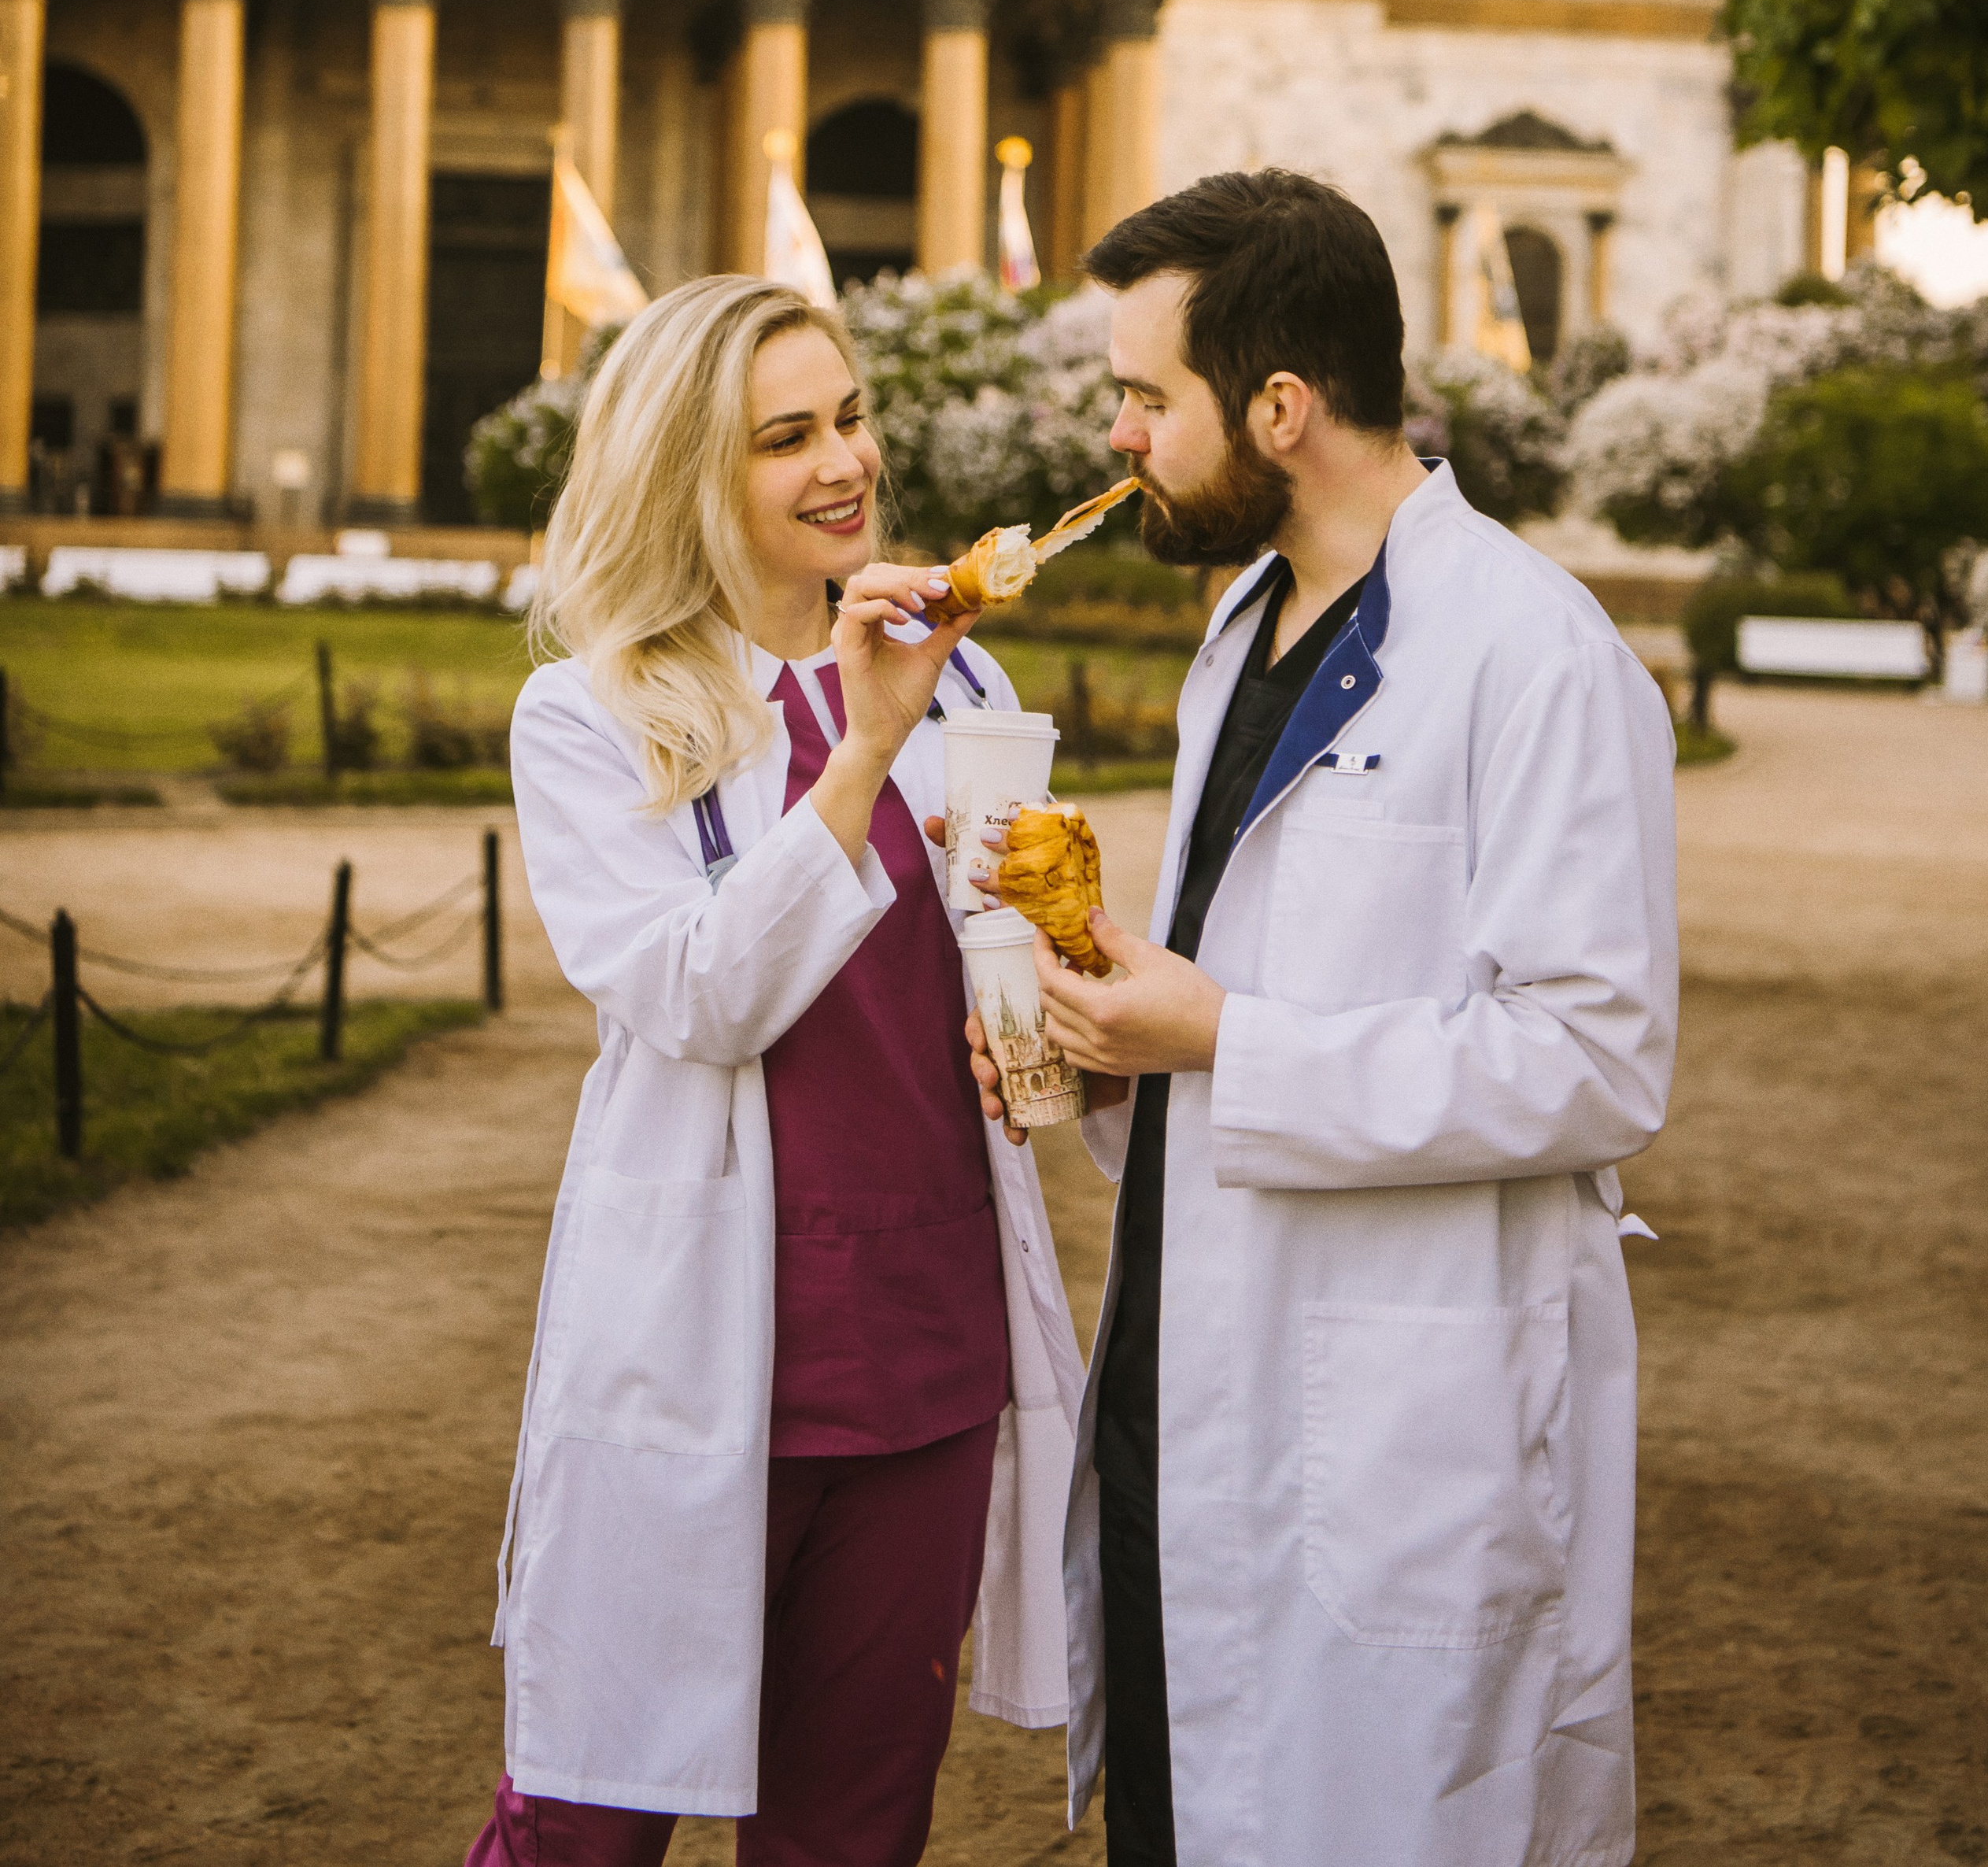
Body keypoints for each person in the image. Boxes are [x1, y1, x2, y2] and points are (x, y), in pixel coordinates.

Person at [968, 171, 1679, 1867]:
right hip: (1179, 1409)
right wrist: (1105, 1041)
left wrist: (1220, 1037)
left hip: (1397, 1439)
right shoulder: (1243, 624)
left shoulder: (1535, 654)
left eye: (1146, 396)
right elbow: (1246, 976)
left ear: (1278, 408)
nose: (1117, 435)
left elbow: (1594, 1059)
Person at [467, 275, 1082, 1867]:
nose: (847, 462)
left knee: (851, 1831)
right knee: (581, 1826)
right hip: (705, 1350)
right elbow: (695, 994)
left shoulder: (967, 683)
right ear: (690, 470)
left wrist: (1059, 999)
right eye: (786, 436)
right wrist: (861, 748)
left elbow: (1007, 980)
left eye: (852, 418)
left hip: (928, 1354)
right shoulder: (590, 714)